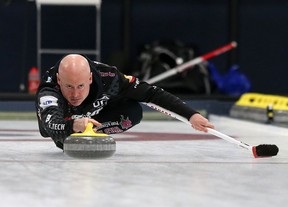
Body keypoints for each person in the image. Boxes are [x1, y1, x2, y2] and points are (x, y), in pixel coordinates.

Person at [35, 54, 214, 149]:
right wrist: (73, 124)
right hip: (65, 127)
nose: (75, 94)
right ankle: (79, 129)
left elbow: (151, 93)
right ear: (59, 81)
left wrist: (191, 115)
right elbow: (49, 125)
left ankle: (90, 130)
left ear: (90, 78)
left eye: (81, 86)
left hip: (95, 116)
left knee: (133, 112)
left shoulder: (110, 77)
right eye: (69, 86)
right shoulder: (49, 89)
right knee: (54, 131)